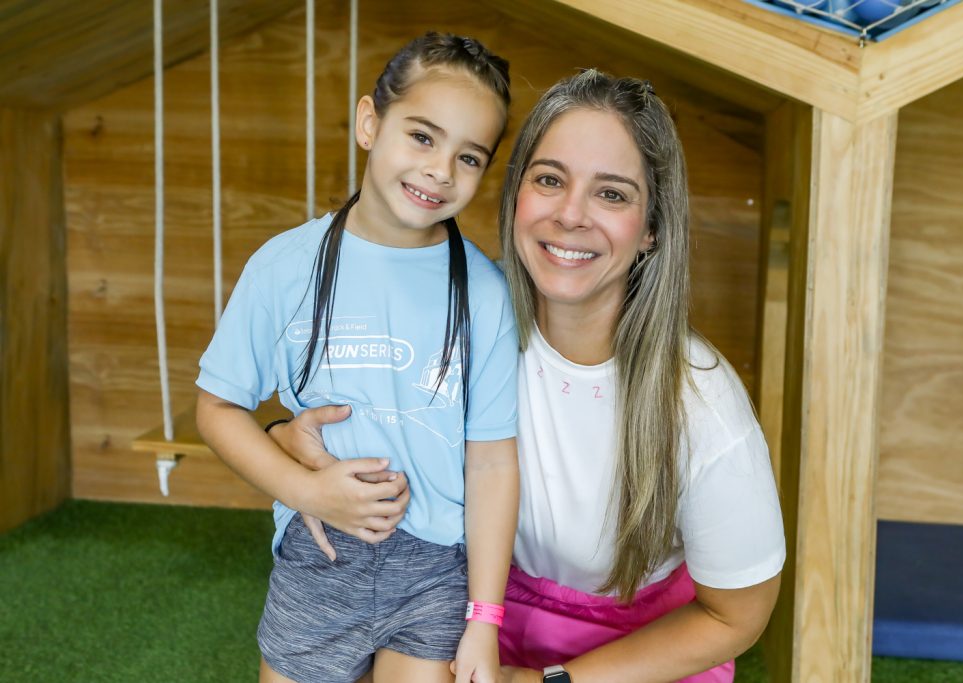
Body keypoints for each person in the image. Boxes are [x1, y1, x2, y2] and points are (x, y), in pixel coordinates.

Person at [269, 69, 785, 683]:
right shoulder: (450, 321)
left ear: (652, 228)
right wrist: (285, 437)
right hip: (463, 614)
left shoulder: (700, 399)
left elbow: (736, 617)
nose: (571, 215)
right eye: (549, 180)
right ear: (516, 195)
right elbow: (326, 415)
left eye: (612, 194)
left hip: (629, 660)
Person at [195, 32, 520, 683]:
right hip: (319, 555)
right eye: (422, 137)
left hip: (435, 567)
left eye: (469, 157)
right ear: (370, 122)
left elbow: (491, 460)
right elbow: (217, 408)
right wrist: (307, 488)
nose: (439, 170)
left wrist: (485, 617)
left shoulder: (485, 292)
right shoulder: (283, 267)